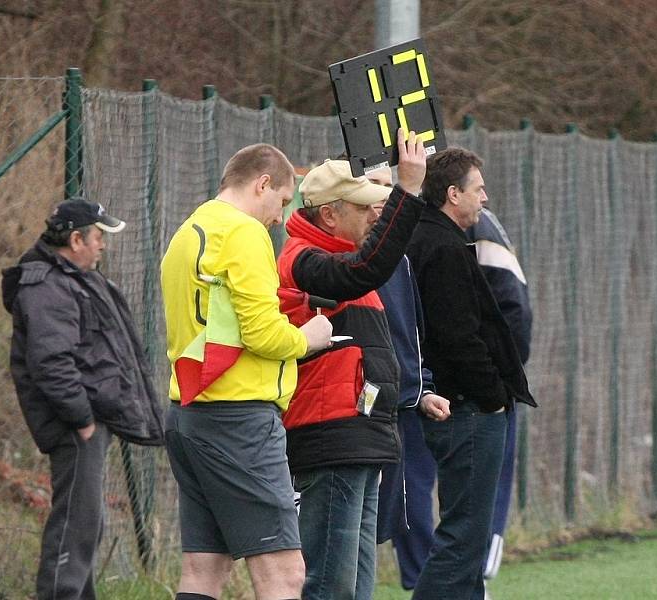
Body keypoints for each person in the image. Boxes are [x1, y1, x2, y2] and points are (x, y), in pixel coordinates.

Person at [160, 143, 332, 600]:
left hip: (188, 414)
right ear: (261, 184)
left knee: (204, 568)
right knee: (284, 573)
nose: (279, 217)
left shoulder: (188, 230)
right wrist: (308, 338)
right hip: (238, 420)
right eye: (280, 202)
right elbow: (261, 333)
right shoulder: (244, 232)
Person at [276, 130, 426, 600]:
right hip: (331, 436)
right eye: (364, 208)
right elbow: (368, 267)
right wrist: (408, 192)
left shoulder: (345, 262)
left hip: (359, 435)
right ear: (329, 214)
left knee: (357, 582)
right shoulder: (306, 261)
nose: (374, 214)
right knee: (332, 581)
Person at [1, 198, 165, 600]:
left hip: (84, 421)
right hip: (74, 425)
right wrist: (81, 419)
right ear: (76, 240)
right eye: (97, 236)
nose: (102, 245)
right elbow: (51, 361)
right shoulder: (48, 285)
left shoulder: (74, 278)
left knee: (86, 523)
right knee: (75, 524)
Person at [406, 147, 537, 600]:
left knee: (466, 540)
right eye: (478, 189)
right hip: (468, 410)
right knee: (463, 541)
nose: (485, 199)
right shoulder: (441, 247)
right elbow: (457, 337)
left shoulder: (431, 238)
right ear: (453, 193)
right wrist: (494, 393)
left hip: (457, 404)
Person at [367, 167, 450, 591]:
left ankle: (422, 585)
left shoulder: (397, 258)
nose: (386, 196)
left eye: (391, 187)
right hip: (350, 415)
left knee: (397, 511)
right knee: (345, 530)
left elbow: (408, 331)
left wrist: (422, 389)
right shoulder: (334, 259)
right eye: (377, 186)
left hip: (397, 408)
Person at [466, 206, 533, 581]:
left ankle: (464, 575)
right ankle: (468, 575)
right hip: (467, 385)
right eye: (477, 188)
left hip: (426, 381)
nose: (484, 196)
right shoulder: (478, 222)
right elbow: (516, 308)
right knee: (485, 479)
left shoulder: (477, 222)